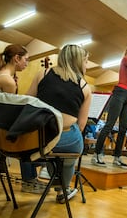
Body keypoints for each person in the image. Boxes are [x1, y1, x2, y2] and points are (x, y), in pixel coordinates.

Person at [0, 44, 45, 194]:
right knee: (26, 132)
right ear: (16, 58)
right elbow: (10, 113)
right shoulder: (7, 80)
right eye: (26, 59)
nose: (27, 63)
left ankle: (30, 178)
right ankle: (29, 180)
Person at [26, 44, 92, 203]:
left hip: (39, 136)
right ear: (78, 61)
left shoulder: (42, 73)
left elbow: (27, 104)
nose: (87, 65)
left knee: (51, 147)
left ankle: (48, 170)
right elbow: (82, 126)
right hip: (65, 140)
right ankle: (64, 189)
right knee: (73, 147)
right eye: (86, 61)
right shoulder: (84, 87)